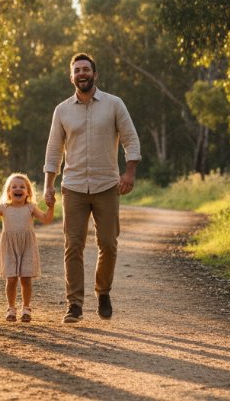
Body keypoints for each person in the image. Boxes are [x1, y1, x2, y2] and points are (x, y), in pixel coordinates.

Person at [44, 52, 141, 323]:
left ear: (94, 74)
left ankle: (103, 291)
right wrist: (48, 185)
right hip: (73, 186)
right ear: (71, 76)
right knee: (73, 245)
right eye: (77, 70)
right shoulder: (62, 110)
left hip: (107, 185)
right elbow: (53, 150)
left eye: (86, 69)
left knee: (108, 244)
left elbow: (131, 140)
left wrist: (129, 173)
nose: (82, 74)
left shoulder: (114, 104)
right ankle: (74, 304)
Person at [0, 173, 55, 322]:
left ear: (28, 192)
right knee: (11, 279)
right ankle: (11, 308)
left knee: (26, 279)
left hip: (27, 246)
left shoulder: (31, 207)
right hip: (9, 247)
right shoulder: (4, 208)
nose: (18, 189)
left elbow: (46, 219)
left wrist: (50, 207)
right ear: (8, 192)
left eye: (22, 187)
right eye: (14, 187)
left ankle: (26, 308)